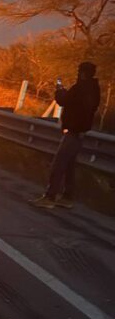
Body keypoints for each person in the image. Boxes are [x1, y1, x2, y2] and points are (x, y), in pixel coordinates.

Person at [31, 61, 100, 209]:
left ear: (82, 73)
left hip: (73, 131)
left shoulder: (80, 88)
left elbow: (63, 100)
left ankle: (50, 196)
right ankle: (67, 197)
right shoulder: (94, 89)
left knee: (58, 164)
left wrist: (59, 89)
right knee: (69, 166)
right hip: (81, 132)